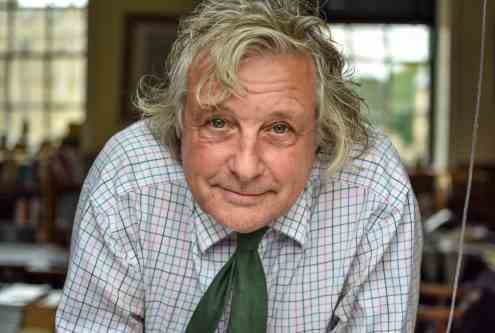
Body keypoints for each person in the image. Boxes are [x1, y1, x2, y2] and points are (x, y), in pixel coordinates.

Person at [56, 0, 422, 332]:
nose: (245, 169)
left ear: (321, 135)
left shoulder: (373, 189)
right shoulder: (128, 180)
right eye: (218, 123)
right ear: (181, 122)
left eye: (280, 128)